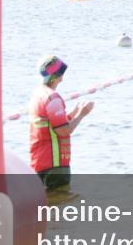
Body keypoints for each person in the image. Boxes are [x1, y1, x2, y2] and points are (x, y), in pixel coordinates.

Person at [28, 55, 94, 191]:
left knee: (45, 207)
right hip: (55, 165)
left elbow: (53, 125)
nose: (62, 79)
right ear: (56, 76)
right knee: (60, 206)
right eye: (61, 74)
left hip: (39, 163)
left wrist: (75, 111)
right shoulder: (52, 98)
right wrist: (82, 114)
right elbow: (63, 131)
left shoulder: (37, 95)